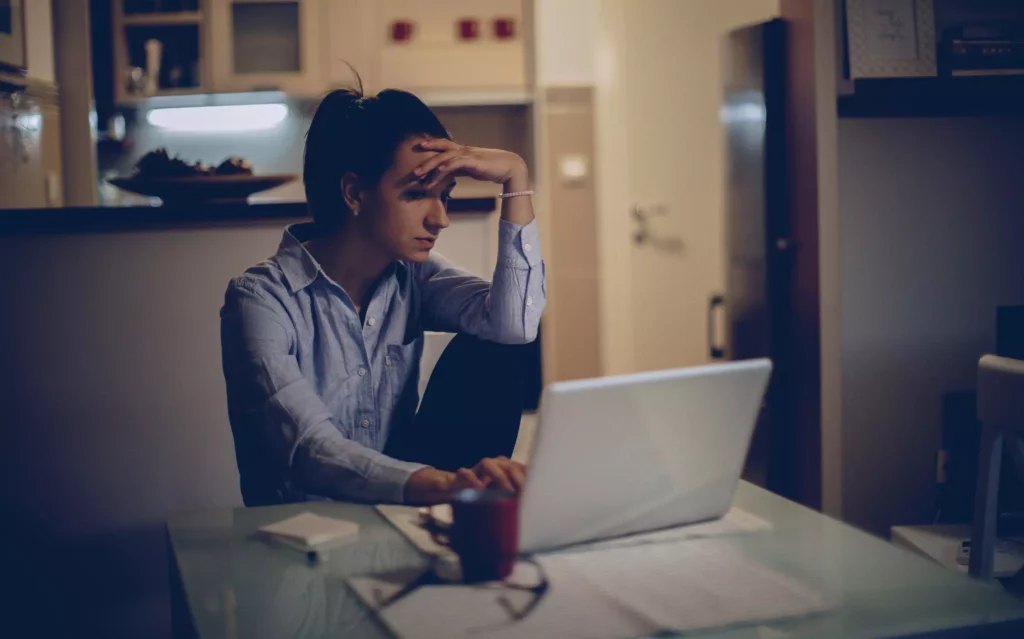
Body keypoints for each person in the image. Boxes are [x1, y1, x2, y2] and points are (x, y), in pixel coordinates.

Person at [220, 87, 546, 507]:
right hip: (301, 534)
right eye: (416, 194)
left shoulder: (413, 277)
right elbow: (309, 450)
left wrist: (515, 177)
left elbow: (515, 325)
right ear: (354, 193)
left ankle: (464, 515)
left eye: (444, 195)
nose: (440, 218)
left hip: (402, 511)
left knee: (493, 349)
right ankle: (458, 506)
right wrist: (447, 485)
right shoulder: (260, 300)